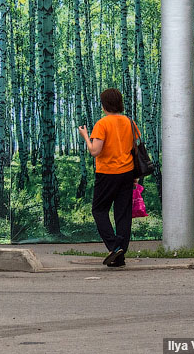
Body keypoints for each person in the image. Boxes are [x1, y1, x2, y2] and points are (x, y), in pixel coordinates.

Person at [77, 88, 139, 268]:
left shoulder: (102, 124)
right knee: (123, 214)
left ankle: (114, 246)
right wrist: (135, 175)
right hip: (127, 173)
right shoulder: (130, 122)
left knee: (99, 210)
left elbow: (95, 151)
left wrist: (86, 137)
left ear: (104, 105)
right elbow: (133, 149)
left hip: (107, 174)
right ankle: (119, 257)